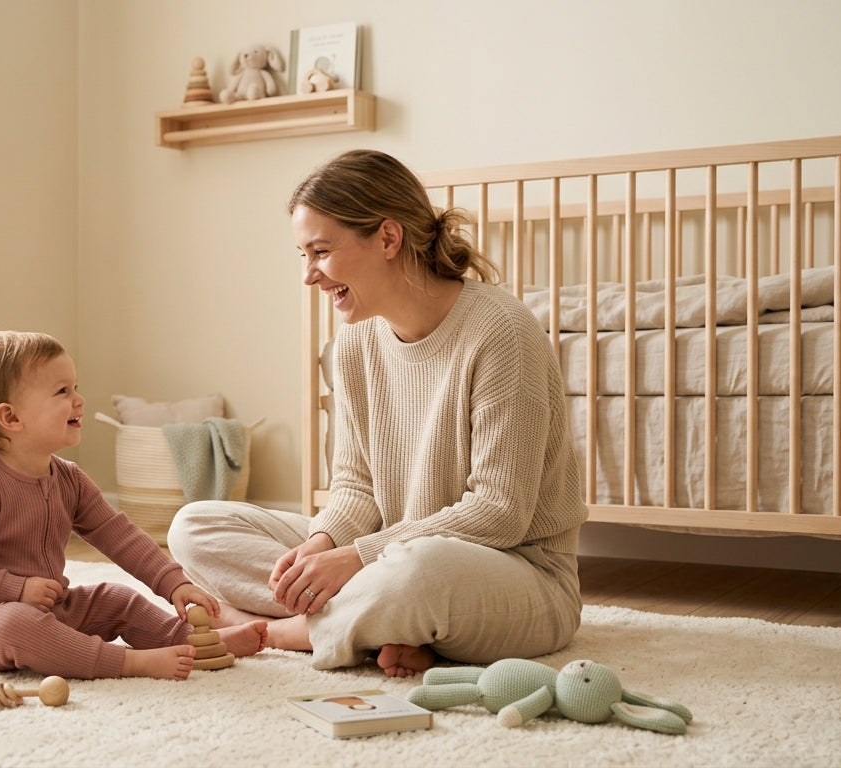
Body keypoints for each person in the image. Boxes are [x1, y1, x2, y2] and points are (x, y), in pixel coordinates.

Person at [168, 149, 587, 678]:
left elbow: (500, 512)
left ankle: (278, 631)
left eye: (320, 251)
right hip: (391, 555)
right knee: (194, 525)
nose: (309, 276)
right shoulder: (353, 346)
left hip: (520, 575)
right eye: (302, 254)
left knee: (417, 574)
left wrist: (360, 558)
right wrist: (319, 550)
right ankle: (385, 626)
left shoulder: (502, 332)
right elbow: (356, 489)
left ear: (389, 239)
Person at [0, 330, 267, 681]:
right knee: (21, 624)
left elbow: (119, 536)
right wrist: (15, 591)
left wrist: (174, 584)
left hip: (50, 607)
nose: (79, 400)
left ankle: (188, 640)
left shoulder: (69, 479)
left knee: (116, 598)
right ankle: (127, 662)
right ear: (11, 418)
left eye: (75, 387)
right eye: (63, 391)